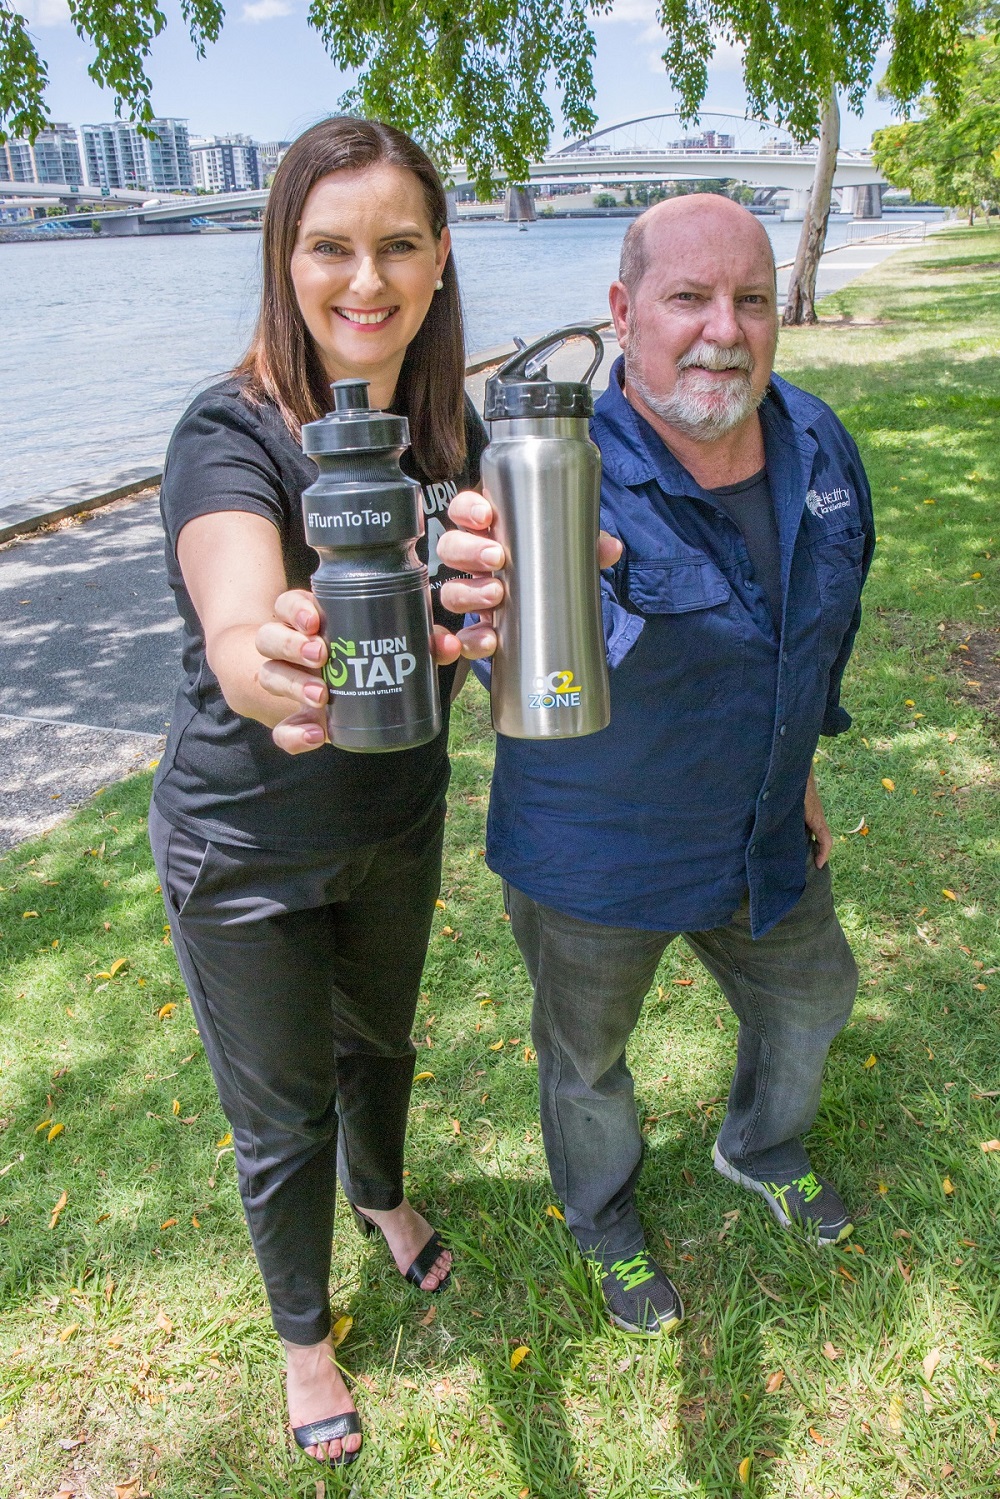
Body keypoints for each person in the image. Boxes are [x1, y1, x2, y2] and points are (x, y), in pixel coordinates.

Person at [438, 194, 875, 1337]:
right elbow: (501, 638)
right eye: (687, 298)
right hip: (596, 853)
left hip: (758, 827)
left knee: (816, 993)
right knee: (585, 1061)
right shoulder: (550, 469)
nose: (722, 330)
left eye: (749, 299)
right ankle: (601, 1215)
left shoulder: (820, 442)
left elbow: (823, 622)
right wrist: (502, 594)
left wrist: (807, 764)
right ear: (624, 312)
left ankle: (758, 1141)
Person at [149, 116, 489, 1467]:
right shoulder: (227, 430)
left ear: (440, 254)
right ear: (282, 261)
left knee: (383, 1046)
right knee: (281, 1111)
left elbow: (488, 616)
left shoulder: (446, 433)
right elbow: (237, 616)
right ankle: (304, 1335)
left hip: (394, 824)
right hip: (246, 847)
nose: (367, 279)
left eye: (398, 243)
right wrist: (267, 658)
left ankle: (387, 1195)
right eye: (330, 247)